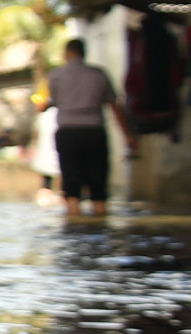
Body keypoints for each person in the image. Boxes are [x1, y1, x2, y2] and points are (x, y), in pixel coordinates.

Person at [44, 37, 132, 217]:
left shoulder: (56, 75)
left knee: (71, 178)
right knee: (98, 180)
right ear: (84, 53)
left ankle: (73, 216)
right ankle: (100, 215)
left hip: (67, 132)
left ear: (67, 53)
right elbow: (114, 106)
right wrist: (128, 135)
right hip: (94, 131)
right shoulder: (99, 74)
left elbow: (51, 101)